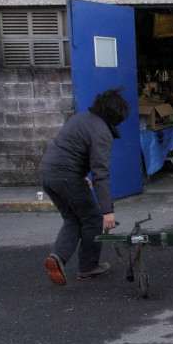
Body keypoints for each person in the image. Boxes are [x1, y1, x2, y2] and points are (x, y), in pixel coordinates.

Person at [40, 87, 130, 286]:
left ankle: (58, 258)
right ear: (117, 115)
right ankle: (89, 267)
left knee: (73, 218)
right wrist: (107, 211)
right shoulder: (102, 132)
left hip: (48, 174)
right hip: (67, 177)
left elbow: (70, 150)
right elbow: (100, 173)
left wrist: (80, 175)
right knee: (92, 218)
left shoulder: (80, 118)